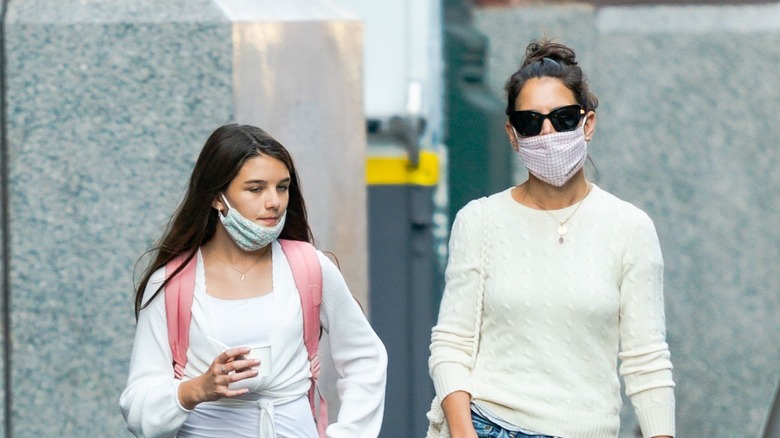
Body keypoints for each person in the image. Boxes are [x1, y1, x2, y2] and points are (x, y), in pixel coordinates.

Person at [427, 39, 675, 438]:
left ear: (587, 124)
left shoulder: (629, 227)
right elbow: (451, 343)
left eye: (562, 118)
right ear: (512, 133)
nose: (546, 132)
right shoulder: (480, 221)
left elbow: (646, 361)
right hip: (490, 425)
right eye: (529, 121)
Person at [120, 124, 387, 438]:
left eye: (282, 187)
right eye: (255, 188)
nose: (274, 201)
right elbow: (137, 408)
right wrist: (196, 389)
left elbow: (365, 358)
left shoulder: (309, 266)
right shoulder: (172, 282)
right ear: (217, 198)